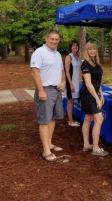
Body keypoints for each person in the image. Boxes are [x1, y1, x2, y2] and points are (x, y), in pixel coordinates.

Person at [30, 29, 65, 162]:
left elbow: (61, 70)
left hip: (56, 90)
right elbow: (34, 72)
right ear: (46, 39)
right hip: (45, 90)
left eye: (56, 39)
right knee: (44, 120)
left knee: (52, 118)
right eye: (52, 39)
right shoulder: (40, 52)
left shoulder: (57, 54)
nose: (54, 41)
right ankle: (46, 151)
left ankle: (50, 143)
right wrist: (41, 91)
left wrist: (63, 82)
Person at [80, 41, 109, 156]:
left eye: (94, 49)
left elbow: (97, 82)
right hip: (88, 95)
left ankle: (86, 145)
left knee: (88, 119)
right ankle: (96, 148)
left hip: (94, 94)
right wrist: (96, 98)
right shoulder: (85, 64)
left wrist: (101, 94)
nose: (92, 51)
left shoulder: (96, 63)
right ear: (86, 51)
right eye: (90, 49)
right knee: (99, 119)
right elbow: (88, 83)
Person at [64, 41, 81, 127]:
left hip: (76, 82)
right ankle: (70, 121)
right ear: (70, 47)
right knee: (70, 101)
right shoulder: (69, 57)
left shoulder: (77, 57)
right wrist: (71, 84)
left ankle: (72, 119)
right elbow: (66, 72)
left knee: (73, 101)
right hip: (70, 83)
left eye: (76, 45)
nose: (75, 47)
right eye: (73, 46)